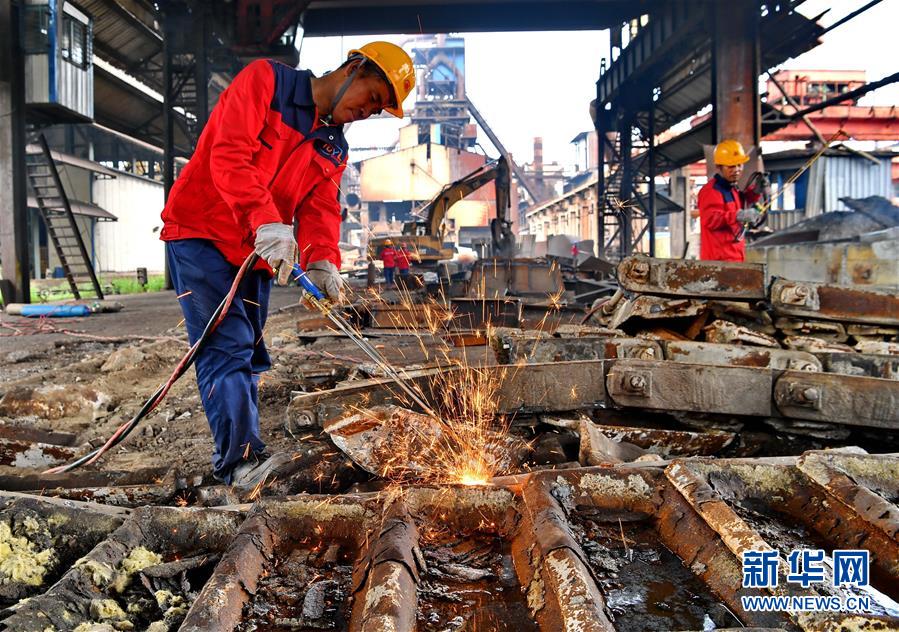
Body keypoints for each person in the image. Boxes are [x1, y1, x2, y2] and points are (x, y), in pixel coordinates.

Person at [160, 42, 415, 488]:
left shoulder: (333, 147)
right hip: (201, 230)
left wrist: (322, 262)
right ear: (354, 68)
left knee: (249, 354)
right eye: (373, 98)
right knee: (228, 344)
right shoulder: (266, 83)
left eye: (379, 111)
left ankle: (244, 450)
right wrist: (267, 222)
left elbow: (320, 209)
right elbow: (229, 155)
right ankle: (239, 464)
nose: (367, 112)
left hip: (256, 252)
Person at [698, 139, 762, 262]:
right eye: (731, 166)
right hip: (718, 262)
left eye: (739, 165)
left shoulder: (732, 189)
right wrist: (738, 216)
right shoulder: (711, 191)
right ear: (719, 167)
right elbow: (710, 219)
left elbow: (742, 201)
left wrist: (756, 192)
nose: (737, 170)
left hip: (735, 257)